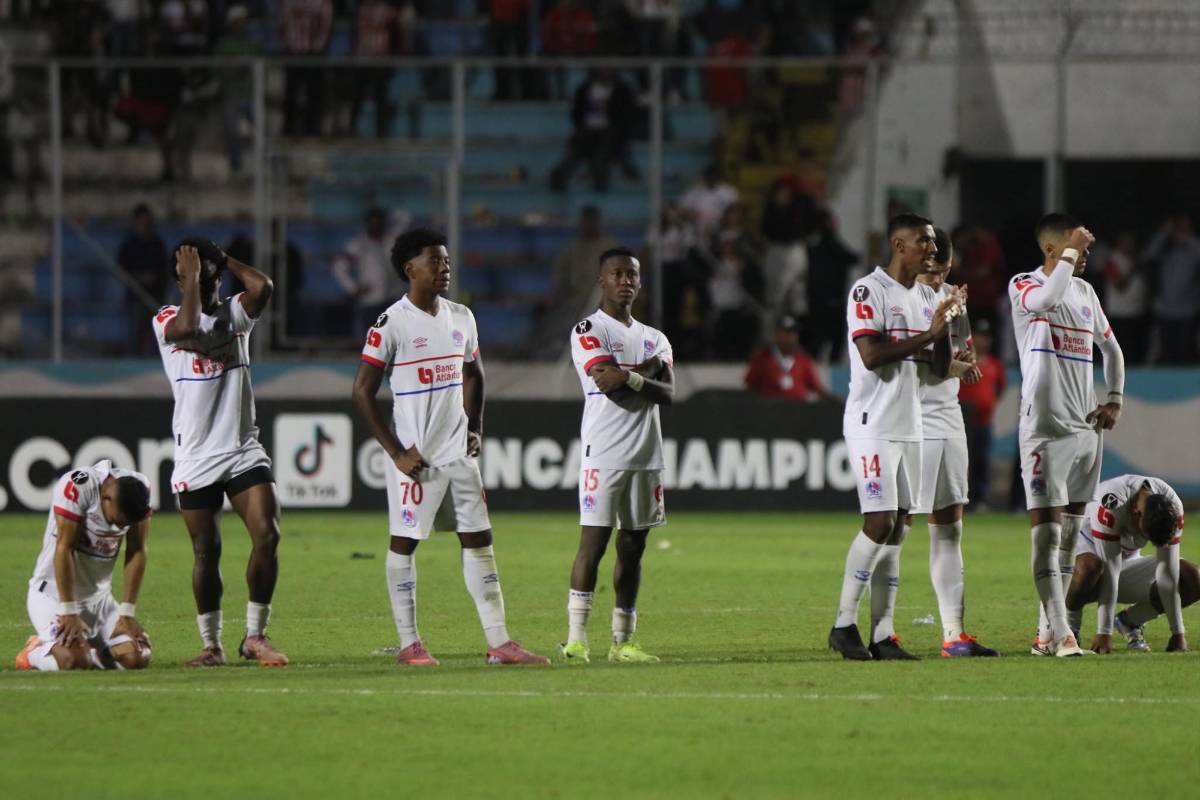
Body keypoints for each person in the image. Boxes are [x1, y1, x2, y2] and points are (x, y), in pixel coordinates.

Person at [351, 228, 549, 666]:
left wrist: (475, 425)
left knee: (479, 540)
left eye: (446, 261)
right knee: (404, 543)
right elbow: (361, 393)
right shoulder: (392, 323)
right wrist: (396, 453)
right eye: (434, 262)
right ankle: (409, 643)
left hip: (458, 454)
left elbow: (474, 374)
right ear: (410, 270)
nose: (444, 268)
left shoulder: (462, 316)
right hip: (415, 460)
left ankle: (500, 642)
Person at [828, 214, 960, 661]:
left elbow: (939, 369)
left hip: (911, 424)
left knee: (899, 529)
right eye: (923, 241)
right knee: (880, 522)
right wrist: (928, 333)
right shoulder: (869, 290)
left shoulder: (926, 295)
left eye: (932, 242)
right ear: (898, 245)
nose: (931, 248)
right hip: (872, 423)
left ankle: (883, 634)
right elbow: (871, 355)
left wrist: (942, 328)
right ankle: (843, 625)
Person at [153, 240, 288, 667]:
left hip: (243, 448)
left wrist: (224, 258)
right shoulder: (166, 320)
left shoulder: (235, 313)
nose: (210, 283)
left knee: (268, 535)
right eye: (199, 277)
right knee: (205, 551)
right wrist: (193, 277)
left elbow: (264, 286)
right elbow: (191, 328)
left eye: (214, 277)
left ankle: (255, 636)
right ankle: (211, 645)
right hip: (196, 455)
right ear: (181, 281)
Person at [1008, 213, 1124, 658]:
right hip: (1045, 429)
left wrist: (1114, 397)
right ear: (1051, 250)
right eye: (1077, 248)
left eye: (1086, 249)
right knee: (1046, 536)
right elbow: (1044, 301)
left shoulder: (1085, 292)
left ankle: (1045, 634)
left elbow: (1111, 349)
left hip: (1085, 429)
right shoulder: (1025, 284)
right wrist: (1071, 252)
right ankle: (1062, 634)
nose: (1085, 257)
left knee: (1072, 538)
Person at [560, 247, 675, 664]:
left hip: (647, 456)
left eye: (633, 274)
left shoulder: (655, 338)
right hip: (603, 453)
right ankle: (576, 639)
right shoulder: (588, 329)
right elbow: (610, 389)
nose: (626, 280)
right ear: (601, 280)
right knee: (593, 545)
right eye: (617, 274)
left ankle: (623, 641)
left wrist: (627, 376)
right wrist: (644, 375)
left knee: (633, 549)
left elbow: (669, 393)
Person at [907, 228, 999, 657]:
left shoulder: (952, 300)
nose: (939, 276)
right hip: (912, 419)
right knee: (894, 526)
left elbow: (964, 358)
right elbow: (929, 362)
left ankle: (953, 634)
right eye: (934, 269)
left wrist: (966, 360)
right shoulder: (903, 298)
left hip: (948, 416)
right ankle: (873, 628)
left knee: (950, 527)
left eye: (944, 269)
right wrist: (956, 364)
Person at [15, 460, 152, 671]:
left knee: (137, 657)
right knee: (74, 662)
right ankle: (33, 652)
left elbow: (137, 550)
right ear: (106, 498)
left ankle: (90, 652)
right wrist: (68, 611)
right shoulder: (77, 486)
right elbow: (64, 549)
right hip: (53, 598)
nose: (121, 526)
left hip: (101, 602)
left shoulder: (139, 488)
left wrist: (126, 613)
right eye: (119, 520)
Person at [1065, 474, 1194, 654]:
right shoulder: (1111, 503)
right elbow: (1110, 570)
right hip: (1086, 559)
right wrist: (1104, 632)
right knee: (1090, 568)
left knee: (1192, 579)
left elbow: (1168, 573)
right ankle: (1069, 628)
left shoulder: (1173, 507)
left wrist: (1178, 633)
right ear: (1136, 512)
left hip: (1123, 562)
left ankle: (1131, 620)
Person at [549, 68, 639, 193]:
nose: (605, 70)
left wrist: (617, 129)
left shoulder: (622, 90)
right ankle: (560, 178)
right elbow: (576, 113)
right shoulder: (584, 89)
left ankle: (600, 179)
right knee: (577, 148)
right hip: (587, 130)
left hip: (611, 131)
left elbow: (626, 115)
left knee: (603, 148)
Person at [333, 207, 408, 336]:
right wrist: (353, 288)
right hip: (370, 301)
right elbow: (339, 267)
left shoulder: (391, 239)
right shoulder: (359, 244)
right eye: (373, 223)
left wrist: (392, 211)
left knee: (393, 341)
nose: (376, 226)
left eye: (379, 222)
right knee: (367, 342)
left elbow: (405, 218)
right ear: (367, 224)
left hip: (392, 299)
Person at [957, 317, 1005, 507]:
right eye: (980, 335)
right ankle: (962, 498)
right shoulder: (962, 358)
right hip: (963, 418)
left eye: (986, 336)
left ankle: (980, 499)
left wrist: (989, 402)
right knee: (964, 459)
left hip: (985, 420)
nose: (983, 340)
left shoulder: (995, 363)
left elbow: (1000, 388)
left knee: (982, 459)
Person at [1143, 215, 1200, 364]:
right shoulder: (1164, 251)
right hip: (1165, 309)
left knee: (1185, 351)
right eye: (1178, 229)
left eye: (1184, 229)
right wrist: (1164, 233)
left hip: (1188, 309)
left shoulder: (1192, 250)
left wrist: (1187, 237)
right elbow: (1149, 253)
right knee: (1167, 352)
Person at [743, 314, 839, 402]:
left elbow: (817, 388)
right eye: (786, 333)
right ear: (777, 334)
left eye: (794, 333)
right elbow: (750, 386)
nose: (790, 337)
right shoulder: (763, 358)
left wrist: (833, 399)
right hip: (770, 414)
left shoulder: (803, 360)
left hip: (797, 413)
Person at [117, 203, 169, 356]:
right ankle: (133, 365)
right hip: (136, 298)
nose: (144, 224)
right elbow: (122, 269)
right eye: (141, 221)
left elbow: (164, 269)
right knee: (135, 335)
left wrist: (154, 279)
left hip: (155, 297)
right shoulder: (129, 246)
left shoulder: (157, 244)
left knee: (156, 337)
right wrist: (139, 279)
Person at [1100, 231, 1148, 365]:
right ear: (1119, 244)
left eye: (1131, 243)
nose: (1129, 246)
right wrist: (1133, 269)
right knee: (1121, 351)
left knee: (1135, 350)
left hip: (1137, 312)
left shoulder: (1136, 259)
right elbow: (1119, 285)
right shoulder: (1111, 261)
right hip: (1120, 314)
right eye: (1126, 243)